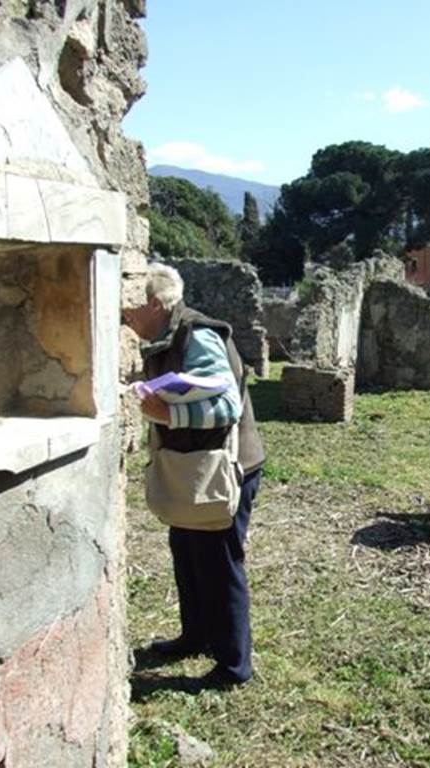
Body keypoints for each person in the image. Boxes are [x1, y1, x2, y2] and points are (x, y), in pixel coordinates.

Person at [123, 263, 265, 689]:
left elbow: (226, 409)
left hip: (224, 468)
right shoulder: (165, 335)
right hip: (193, 467)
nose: (125, 315)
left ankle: (234, 666)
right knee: (186, 550)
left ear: (154, 303)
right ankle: (196, 635)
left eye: (131, 306)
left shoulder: (198, 335)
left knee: (219, 561)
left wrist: (167, 412)